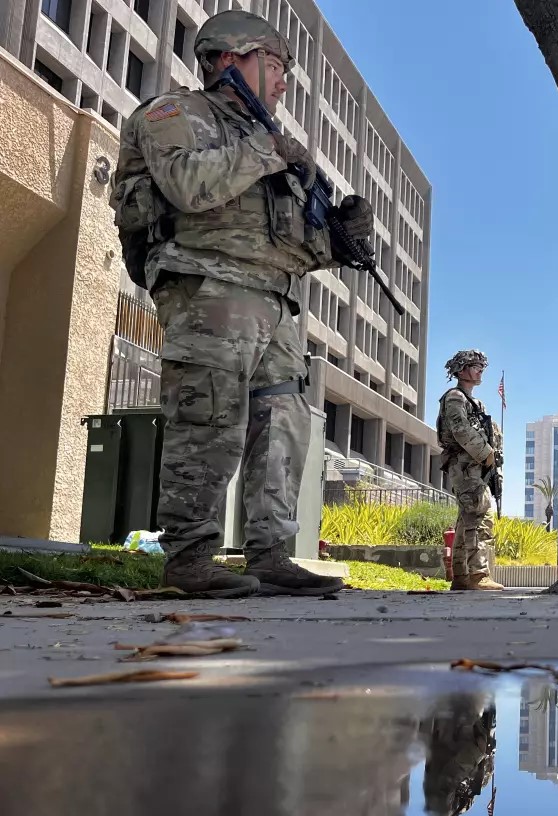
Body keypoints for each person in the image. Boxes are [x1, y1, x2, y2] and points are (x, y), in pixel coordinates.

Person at [109, 9, 373, 598]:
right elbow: (187, 186)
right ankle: (189, 557)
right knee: (209, 418)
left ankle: (271, 553)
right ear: (230, 57)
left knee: (282, 426)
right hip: (206, 287)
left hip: (275, 300)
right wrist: (269, 152)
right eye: (276, 65)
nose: (283, 83)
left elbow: (300, 245)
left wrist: (345, 236)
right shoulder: (174, 115)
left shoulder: (271, 143)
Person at [437, 350, 504, 591]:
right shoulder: (455, 397)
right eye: (475, 366)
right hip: (466, 465)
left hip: (475, 467)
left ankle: (462, 576)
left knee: (467, 520)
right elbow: (460, 430)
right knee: (479, 517)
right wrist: (485, 453)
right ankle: (478, 574)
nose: (480, 371)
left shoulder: (475, 402)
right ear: (461, 370)